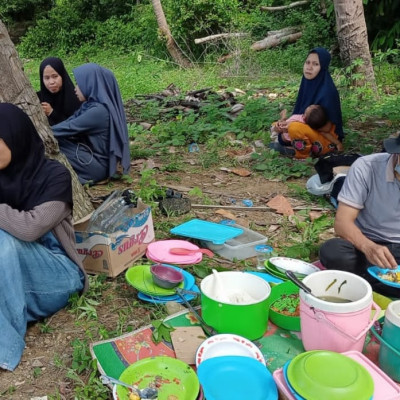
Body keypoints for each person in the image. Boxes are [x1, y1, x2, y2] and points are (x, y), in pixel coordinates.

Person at [0, 103, 88, 371]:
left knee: (3, 239)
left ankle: (4, 348)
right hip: (15, 277)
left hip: (59, 275)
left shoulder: (54, 176)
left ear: (16, 136)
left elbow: (30, 228)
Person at [319, 133, 400, 297]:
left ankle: (364, 282)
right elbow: (342, 223)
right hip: (366, 243)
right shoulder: (367, 167)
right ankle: (379, 283)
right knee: (333, 252)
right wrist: (368, 247)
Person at [52, 63, 130, 185]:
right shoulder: (89, 106)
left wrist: (34, 132)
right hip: (90, 160)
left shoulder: (98, 111)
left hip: (94, 166)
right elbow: (68, 123)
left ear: (90, 83)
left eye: (79, 84)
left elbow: (67, 128)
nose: (75, 88)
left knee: (51, 142)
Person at [270, 47, 344, 155]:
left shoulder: (328, 91)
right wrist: (286, 124)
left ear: (322, 68)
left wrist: (293, 126)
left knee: (294, 128)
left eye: (315, 64)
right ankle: (294, 140)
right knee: (277, 125)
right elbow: (300, 114)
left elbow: (327, 127)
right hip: (307, 126)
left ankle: (300, 151)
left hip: (326, 138)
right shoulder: (307, 83)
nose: (309, 67)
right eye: (307, 62)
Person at [271, 104, 343, 158]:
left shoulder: (297, 118)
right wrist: (338, 143)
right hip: (301, 140)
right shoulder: (315, 125)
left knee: (279, 127)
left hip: (285, 139)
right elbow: (325, 133)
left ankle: (298, 153)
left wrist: (283, 125)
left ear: (304, 117)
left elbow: (285, 126)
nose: (311, 105)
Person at [37, 57, 81, 126]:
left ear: (62, 76)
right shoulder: (37, 98)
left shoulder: (76, 97)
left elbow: (76, 126)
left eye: (55, 76)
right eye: (47, 78)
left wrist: (52, 113)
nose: (51, 82)